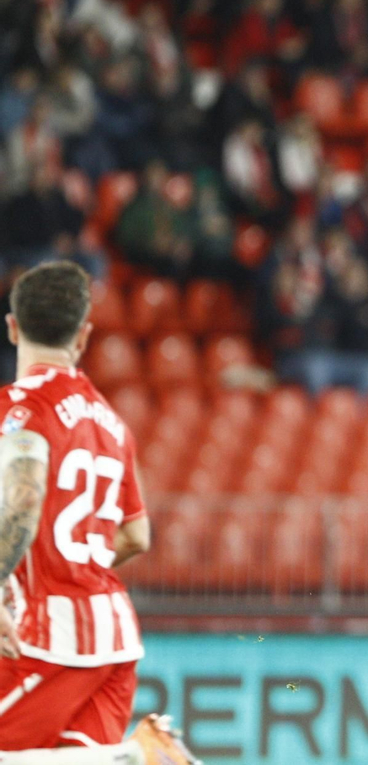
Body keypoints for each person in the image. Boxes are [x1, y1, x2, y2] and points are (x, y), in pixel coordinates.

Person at [0, 261, 197, 764]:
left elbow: (22, 498)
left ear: (13, 327)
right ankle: (132, 756)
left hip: (47, 636)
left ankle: (135, 758)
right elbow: (136, 535)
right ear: (84, 335)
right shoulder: (111, 423)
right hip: (114, 638)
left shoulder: (18, 408)